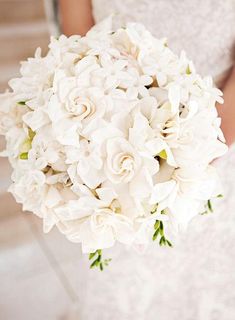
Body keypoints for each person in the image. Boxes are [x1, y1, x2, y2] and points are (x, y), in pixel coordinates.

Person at [58, 1, 235, 319]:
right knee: (125, 283)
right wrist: (100, 129)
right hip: (112, 145)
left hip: (220, 133)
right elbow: (78, 36)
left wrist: (196, 150)